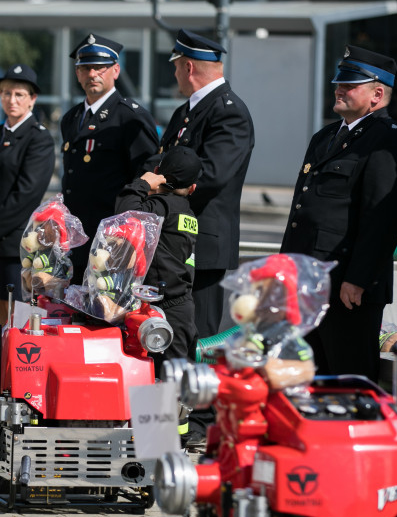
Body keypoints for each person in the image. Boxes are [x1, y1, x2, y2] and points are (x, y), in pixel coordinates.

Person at [279, 45, 397, 383]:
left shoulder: (388, 141)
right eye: (339, 82)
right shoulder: (326, 136)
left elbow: (382, 220)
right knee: (309, 380)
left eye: (350, 85)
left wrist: (358, 279)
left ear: (377, 94)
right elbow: (303, 210)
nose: (338, 89)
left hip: (345, 287)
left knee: (347, 381)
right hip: (309, 283)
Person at [161, 28, 254, 342]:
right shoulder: (186, 111)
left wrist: (158, 184)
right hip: (175, 239)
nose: (174, 74)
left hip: (202, 245)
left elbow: (211, 174)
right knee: (168, 335)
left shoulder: (229, 112)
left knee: (196, 336)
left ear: (188, 68)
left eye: (176, 66)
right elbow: (159, 159)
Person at [59, 33, 159, 278]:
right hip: (77, 233)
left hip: (112, 234)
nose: (92, 75)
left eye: (99, 68)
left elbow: (146, 176)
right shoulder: (71, 118)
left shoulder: (129, 116)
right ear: (77, 73)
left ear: (116, 70)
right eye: (85, 68)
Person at [0, 64, 55, 333]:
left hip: (15, 242)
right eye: (5, 93)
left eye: (19, 94)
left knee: (18, 315)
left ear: (32, 99)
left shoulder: (38, 138)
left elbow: (27, 193)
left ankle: (13, 371)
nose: (11, 100)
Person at [115, 145, 200, 368]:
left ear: (157, 173)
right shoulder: (188, 212)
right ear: (192, 188)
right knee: (179, 379)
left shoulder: (161, 207)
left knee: (165, 384)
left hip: (163, 309)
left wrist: (142, 184)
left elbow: (125, 215)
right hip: (183, 305)